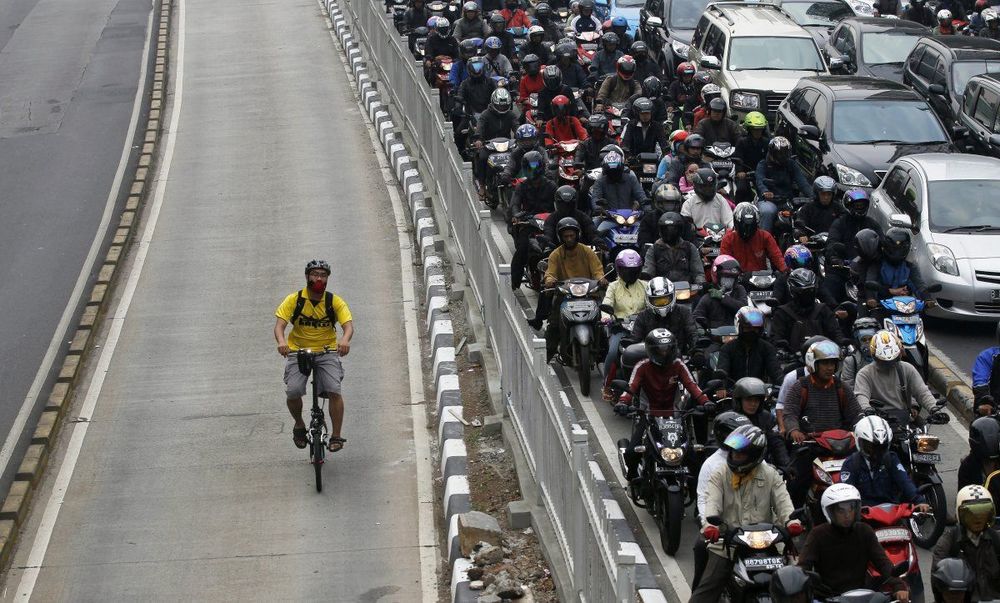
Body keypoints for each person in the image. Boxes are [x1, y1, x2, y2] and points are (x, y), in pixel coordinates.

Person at [691, 424, 799, 603]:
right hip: (728, 545)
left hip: (768, 543)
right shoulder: (719, 474)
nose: (734, 457)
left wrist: (792, 522)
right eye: (732, 453)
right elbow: (712, 503)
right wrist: (711, 526)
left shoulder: (771, 474)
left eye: (740, 453)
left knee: (795, 587)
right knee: (704, 594)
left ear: (755, 455)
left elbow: (784, 503)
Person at [274, 260, 354, 453]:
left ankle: (336, 435)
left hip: (327, 351)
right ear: (307, 276)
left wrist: (344, 340)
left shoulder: (334, 302)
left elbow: (348, 326)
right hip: (298, 351)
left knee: (334, 390)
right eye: (315, 274)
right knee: (293, 391)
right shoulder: (294, 300)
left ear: (327, 279)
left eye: (323, 275)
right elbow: (280, 326)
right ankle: (299, 425)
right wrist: (282, 342)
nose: (319, 278)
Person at [619, 328, 710, 476]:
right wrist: (623, 403)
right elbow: (631, 387)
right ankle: (634, 480)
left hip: (675, 415)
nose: (665, 353)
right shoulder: (642, 366)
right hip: (648, 414)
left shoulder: (678, 365)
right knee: (631, 453)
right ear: (651, 350)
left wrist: (705, 402)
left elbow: (693, 386)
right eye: (660, 350)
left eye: (668, 349)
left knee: (693, 457)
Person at [782, 339, 861, 507]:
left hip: (841, 445)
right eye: (825, 363)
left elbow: (856, 413)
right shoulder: (800, 386)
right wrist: (794, 430)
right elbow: (789, 413)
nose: (830, 367)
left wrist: (863, 426)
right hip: (811, 445)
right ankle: (795, 515)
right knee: (796, 480)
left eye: (832, 363)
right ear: (813, 364)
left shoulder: (841, 387)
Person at [798, 483, 910, 601]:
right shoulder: (818, 534)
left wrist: (898, 585)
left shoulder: (864, 531)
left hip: (862, 596)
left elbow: (883, 563)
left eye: (851, 508)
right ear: (830, 512)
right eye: (841, 510)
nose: (847, 515)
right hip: (827, 598)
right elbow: (803, 567)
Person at [691, 412, 753, 590]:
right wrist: (709, 525)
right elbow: (703, 499)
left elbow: (777, 495)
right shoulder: (712, 465)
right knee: (701, 549)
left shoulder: (758, 461)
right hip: (724, 528)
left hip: (754, 527)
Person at [540, 218, 607, 358]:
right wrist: (550, 280)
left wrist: (601, 279)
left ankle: (603, 353)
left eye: (572, 236)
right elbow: (550, 272)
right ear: (561, 237)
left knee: (602, 323)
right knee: (554, 325)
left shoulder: (587, 251)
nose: (569, 239)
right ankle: (547, 355)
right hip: (565, 295)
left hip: (588, 294)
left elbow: (597, 270)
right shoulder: (556, 254)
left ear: (578, 235)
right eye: (566, 236)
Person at [843, 415, 929, 508]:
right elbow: (846, 493)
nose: (875, 452)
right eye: (870, 446)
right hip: (864, 516)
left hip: (892, 512)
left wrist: (919, 501)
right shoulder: (850, 464)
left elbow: (904, 481)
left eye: (881, 447)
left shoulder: (891, 459)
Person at [932, 485, 1000, 601]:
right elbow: (938, 580)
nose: (977, 519)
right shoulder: (949, 540)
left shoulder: (996, 539)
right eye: (971, 513)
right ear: (961, 515)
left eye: (982, 513)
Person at [854, 330, 938, 422]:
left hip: (903, 418)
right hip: (877, 420)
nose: (889, 364)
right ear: (874, 356)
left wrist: (934, 409)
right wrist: (866, 409)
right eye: (883, 361)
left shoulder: (907, 368)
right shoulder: (865, 373)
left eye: (892, 360)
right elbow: (861, 395)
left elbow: (922, 391)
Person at [601, 250, 648, 400]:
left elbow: (651, 304)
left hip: (642, 328)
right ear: (619, 269)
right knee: (613, 352)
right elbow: (607, 303)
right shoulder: (613, 286)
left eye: (634, 270)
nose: (630, 273)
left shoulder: (646, 286)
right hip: (620, 328)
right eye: (627, 270)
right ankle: (607, 385)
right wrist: (607, 317)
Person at [509, 151, 558, 288]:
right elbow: (515, 204)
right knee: (522, 250)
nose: (533, 170)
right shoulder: (521, 187)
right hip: (529, 223)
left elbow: (558, 205)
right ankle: (515, 283)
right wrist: (516, 216)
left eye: (536, 166)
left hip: (549, 223)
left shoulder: (551, 186)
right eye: (530, 167)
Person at [824, 189, 882, 303]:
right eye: (857, 205)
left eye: (862, 205)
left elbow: (882, 242)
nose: (860, 208)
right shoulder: (839, 223)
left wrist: (882, 254)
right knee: (829, 292)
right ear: (848, 205)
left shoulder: (872, 224)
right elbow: (831, 242)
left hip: (866, 270)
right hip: (842, 270)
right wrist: (834, 257)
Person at [771, 268, 846, 353]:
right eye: (803, 292)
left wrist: (842, 343)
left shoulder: (823, 310)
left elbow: (835, 332)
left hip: (823, 358)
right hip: (793, 360)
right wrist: (781, 350)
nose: (807, 295)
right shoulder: (783, 313)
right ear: (793, 291)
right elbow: (776, 338)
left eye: (811, 290)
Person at [755, 136, 813, 233]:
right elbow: (760, 180)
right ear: (773, 152)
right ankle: (762, 243)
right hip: (768, 201)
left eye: (785, 152)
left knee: (805, 212)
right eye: (780, 153)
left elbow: (803, 183)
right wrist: (765, 191)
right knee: (767, 212)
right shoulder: (763, 164)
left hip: (788, 201)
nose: (783, 155)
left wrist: (813, 196)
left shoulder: (791, 164)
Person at [630, 277, 700, 356]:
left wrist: (697, 352)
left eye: (665, 300)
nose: (662, 304)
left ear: (673, 296)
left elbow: (693, 334)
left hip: (680, 358)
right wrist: (630, 349)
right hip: (650, 360)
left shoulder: (684, 312)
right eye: (657, 301)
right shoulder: (643, 316)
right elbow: (635, 340)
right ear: (648, 299)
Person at [862, 227, 928, 310]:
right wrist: (871, 298)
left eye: (901, 249)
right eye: (894, 249)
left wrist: (927, 297)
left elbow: (918, 284)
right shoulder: (877, 264)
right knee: (870, 320)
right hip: (881, 306)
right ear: (885, 247)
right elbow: (871, 283)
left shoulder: (909, 267)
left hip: (905, 307)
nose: (897, 252)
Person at [732, 376, 791, 468]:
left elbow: (777, 443)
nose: (753, 404)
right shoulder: (729, 418)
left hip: (763, 465)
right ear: (739, 400)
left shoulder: (767, 417)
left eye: (756, 400)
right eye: (749, 400)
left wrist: (787, 465)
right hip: (734, 465)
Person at [718, 308, 784, 386]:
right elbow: (722, 370)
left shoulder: (767, 348)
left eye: (756, 329)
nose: (752, 331)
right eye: (748, 328)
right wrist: (720, 386)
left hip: (760, 392)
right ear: (739, 327)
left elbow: (775, 371)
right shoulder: (727, 348)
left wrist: (784, 384)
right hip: (734, 392)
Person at [473, 87, 517, 194]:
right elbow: (480, 127)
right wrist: (478, 139)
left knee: (518, 157)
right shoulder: (485, 114)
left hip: (507, 145)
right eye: (499, 106)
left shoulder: (511, 115)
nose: (502, 108)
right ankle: (482, 185)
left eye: (504, 106)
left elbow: (517, 127)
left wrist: (520, 137)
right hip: (489, 145)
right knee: (482, 158)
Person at [720, 202, 786, 273]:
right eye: (744, 225)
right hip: (737, 279)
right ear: (737, 223)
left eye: (751, 226)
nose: (747, 229)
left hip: (761, 279)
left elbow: (777, 257)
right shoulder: (728, 239)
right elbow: (724, 262)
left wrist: (785, 271)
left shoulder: (765, 236)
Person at [641, 211, 704, 284]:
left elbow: (698, 272)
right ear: (660, 230)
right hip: (662, 290)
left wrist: (700, 283)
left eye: (673, 229)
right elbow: (648, 270)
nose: (669, 232)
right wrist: (645, 279)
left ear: (680, 230)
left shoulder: (689, 247)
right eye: (665, 229)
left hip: (687, 290)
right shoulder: (654, 249)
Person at [695, 257, 748, 329]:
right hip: (715, 337)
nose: (729, 280)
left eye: (732, 277)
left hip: (737, 333)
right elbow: (696, 317)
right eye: (726, 277)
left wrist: (723, 297)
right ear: (717, 276)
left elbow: (744, 309)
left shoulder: (739, 290)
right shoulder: (708, 296)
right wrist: (701, 329)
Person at [637, 183, 685, 250]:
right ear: (659, 203)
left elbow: (691, 243)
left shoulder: (683, 220)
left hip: (680, 256)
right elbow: (643, 241)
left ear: (677, 203)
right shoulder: (649, 219)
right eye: (666, 203)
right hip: (656, 255)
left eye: (672, 203)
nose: (670, 206)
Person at [734, 111, 770, 199]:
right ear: (749, 129)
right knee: (741, 190)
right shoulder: (742, 142)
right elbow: (738, 158)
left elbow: (770, 159)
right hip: (746, 175)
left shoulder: (767, 142)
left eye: (760, 129)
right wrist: (740, 172)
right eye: (755, 129)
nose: (758, 132)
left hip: (763, 175)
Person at [839, 316, 878, 391]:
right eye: (863, 340)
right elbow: (848, 389)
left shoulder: (885, 357)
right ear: (857, 341)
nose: (868, 343)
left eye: (871, 339)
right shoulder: (851, 361)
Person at [973, 322, 1000, 411]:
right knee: (981, 424)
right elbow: (980, 382)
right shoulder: (987, 356)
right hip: (992, 409)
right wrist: (986, 401)